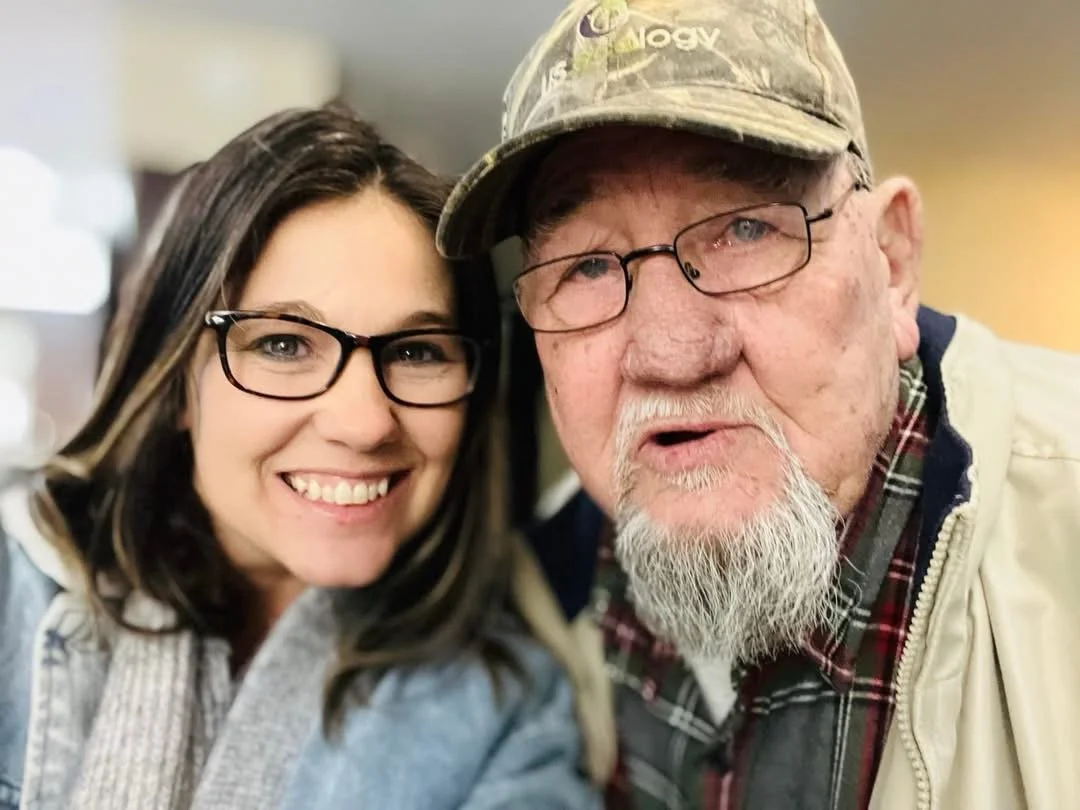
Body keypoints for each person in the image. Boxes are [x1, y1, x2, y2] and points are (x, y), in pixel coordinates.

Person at [436, 1, 1080, 808]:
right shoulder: (548, 584)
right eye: (588, 267)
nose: (671, 353)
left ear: (892, 262)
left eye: (746, 230)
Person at [0, 105, 614, 810]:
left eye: (417, 352)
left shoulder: (508, 711)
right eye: (284, 345)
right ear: (176, 386)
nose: (362, 424)